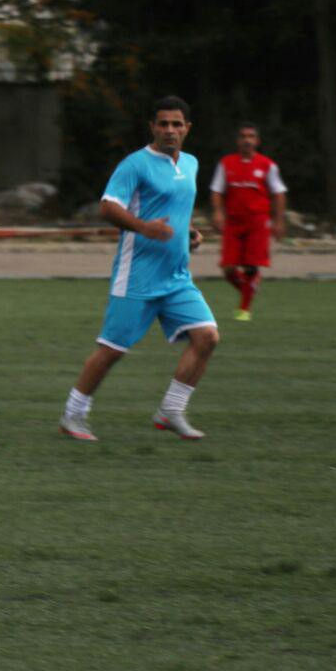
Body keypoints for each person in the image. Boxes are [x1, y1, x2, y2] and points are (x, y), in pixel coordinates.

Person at [59, 96, 219, 442]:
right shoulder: (135, 165)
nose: (170, 130)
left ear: (187, 128)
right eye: (163, 123)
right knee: (112, 350)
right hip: (136, 277)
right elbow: (108, 207)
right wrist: (144, 227)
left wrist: (188, 234)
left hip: (176, 278)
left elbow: (174, 209)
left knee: (207, 337)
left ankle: (171, 411)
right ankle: (72, 415)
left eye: (177, 124)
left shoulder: (190, 163)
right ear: (152, 127)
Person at [209, 122, 288, 321]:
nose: (247, 140)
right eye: (243, 136)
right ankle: (250, 287)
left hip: (258, 221)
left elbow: (279, 193)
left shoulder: (267, 165)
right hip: (233, 221)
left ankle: (243, 310)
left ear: (257, 141)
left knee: (251, 266)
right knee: (228, 268)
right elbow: (217, 190)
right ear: (238, 140)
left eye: (251, 136)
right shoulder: (226, 163)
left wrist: (279, 221)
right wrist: (218, 212)